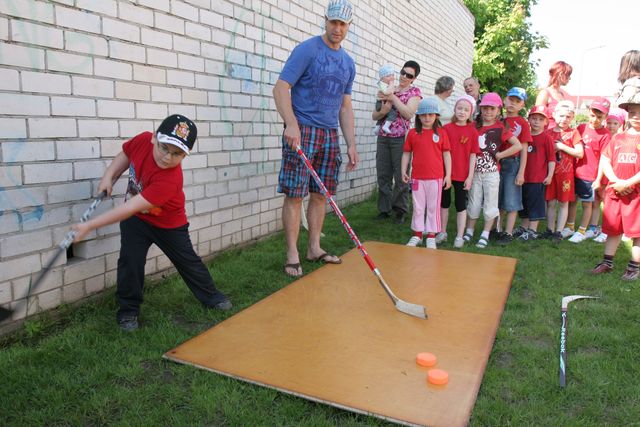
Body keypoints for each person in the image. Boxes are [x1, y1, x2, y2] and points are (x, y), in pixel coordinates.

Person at [72, 115, 232, 331]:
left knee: (188, 261)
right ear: (154, 138)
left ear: (185, 154)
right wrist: (108, 176)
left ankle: (212, 297)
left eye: (177, 154)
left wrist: (90, 226)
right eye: (164, 148)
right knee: (130, 261)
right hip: (136, 221)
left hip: (168, 224)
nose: (167, 157)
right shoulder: (142, 140)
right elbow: (126, 154)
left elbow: (129, 207)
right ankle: (128, 311)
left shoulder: (170, 180)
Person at [272, 0, 359, 278]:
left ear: (348, 26)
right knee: (295, 194)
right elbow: (281, 88)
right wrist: (291, 124)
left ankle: (314, 248)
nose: (337, 28)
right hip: (303, 129)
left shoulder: (348, 63)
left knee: (321, 194)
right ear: (325, 20)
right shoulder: (307, 50)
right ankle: (292, 254)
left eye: (342, 24)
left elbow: (345, 106)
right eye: (333, 22)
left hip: (329, 133)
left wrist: (351, 143)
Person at [591, 96, 640, 280]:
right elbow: (605, 159)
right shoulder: (618, 138)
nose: (636, 116)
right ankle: (607, 262)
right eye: (633, 112)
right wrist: (616, 181)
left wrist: (627, 183)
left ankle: (634, 267)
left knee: (637, 231)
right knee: (613, 228)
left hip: (636, 194)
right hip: (616, 191)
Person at [463, 93, 521, 249]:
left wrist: (500, 155)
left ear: (498, 110)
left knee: (490, 203)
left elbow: (518, 145)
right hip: (474, 172)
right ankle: (469, 230)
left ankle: (485, 233)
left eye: (492, 109)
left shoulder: (501, 128)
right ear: (480, 109)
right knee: (474, 202)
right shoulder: (473, 125)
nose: (488, 112)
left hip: (491, 173)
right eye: (485, 108)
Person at [373, 60, 422, 223]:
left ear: (414, 79)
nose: (404, 76)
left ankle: (400, 210)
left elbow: (408, 113)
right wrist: (384, 111)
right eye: (403, 72)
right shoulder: (388, 87)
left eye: (409, 75)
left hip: (401, 139)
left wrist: (392, 97)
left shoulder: (414, 93)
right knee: (383, 174)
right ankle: (384, 209)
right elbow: (374, 115)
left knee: (401, 176)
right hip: (383, 136)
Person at [401, 98, 451, 249]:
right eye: (423, 115)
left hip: (436, 178)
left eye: (431, 115)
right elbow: (406, 153)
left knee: (433, 207)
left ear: (436, 116)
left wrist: (448, 175)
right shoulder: (412, 133)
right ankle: (417, 234)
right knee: (418, 207)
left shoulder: (441, 133)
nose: (427, 118)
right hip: (417, 178)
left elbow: (447, 154)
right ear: (418, 116)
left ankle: (431, 236)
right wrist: (403, 170)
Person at [567, 97, 611, 243]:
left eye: (599, 116)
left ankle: (581, 231)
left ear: (606, 116)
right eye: (592, 115)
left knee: (587, 204)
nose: (595, 119)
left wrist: (598, 179)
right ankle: (570, 227)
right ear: (588, 112)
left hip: (590, 176)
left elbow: (604, 159)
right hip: (575, 173)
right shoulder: (581, 128)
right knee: (572, 201)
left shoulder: (605, 135)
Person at [438, 95, 480, 248]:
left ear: (471, 113)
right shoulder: (446, 129)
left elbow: (473, 155)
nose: (462, 112)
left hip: (463, 174)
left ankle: (459, 236)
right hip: (446, 173)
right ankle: (442, 232)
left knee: (461, 205)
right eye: (459, 108)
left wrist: (470, 177)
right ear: (454, 109)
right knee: (444, 203)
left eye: (466, 110)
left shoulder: (473, 131)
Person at [543, 101, 583, 241]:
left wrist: (561, 147)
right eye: (561, 116)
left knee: (563, 202)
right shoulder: (547, 133)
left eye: (568, 116)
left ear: (572, 117)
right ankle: (550, 229)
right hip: (550, 173)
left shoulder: (573, 133)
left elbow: (580, 153)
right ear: (554, 115)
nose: (564, 119)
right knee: (550, 202)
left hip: (566, 174)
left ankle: (559, 231)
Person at [497, 87, 530, 244]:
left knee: (511, 199)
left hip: (513, 164)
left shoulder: (522, 123)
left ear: (522, 105)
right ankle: (497, 229)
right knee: (498, 199)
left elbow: (523, 148)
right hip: (497, 163)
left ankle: (508, 232)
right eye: (511, 99)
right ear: (505, 100)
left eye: (517, 101)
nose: (513, 103)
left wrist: (521, 172)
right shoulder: (498, 120)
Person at [517, 106, 555, 240]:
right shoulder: (525, 136)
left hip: (538, 178)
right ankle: (524, 227)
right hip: (524, 177)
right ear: (528, 119)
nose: (536, 122)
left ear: (546, 122)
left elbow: (551, 159)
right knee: (524, 203)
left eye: (540, 119)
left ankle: (532, 230)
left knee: (535, 204)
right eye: (533, 118)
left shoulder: (546, 138)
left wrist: (549, 175)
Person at [593, 108, 627, 243]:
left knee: (612, 205)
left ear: (621, 125)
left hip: (618, 177)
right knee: (598, 202)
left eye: (615, 123)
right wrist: (598, 178)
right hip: (604, 174)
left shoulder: (622, 139)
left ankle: (613, 230)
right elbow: (603, 160)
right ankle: (596, 227)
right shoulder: (606, 137)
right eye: (609, 123)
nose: (611, 126)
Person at [535, 61, 572, 129]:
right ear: (561, 74)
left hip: (559, 133)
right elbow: (536, 118)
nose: (570, 78)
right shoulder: (545, 93)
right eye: (568, 75)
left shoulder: (562, 94)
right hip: (546, 133)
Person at [373, 64, 397, 134]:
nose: (391, 78)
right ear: (382, 79)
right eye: (388, 76)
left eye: (392, 75)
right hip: (381, 103)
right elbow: (387, 92)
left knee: (383, 117)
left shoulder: (386, 85)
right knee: (393, 113)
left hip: (382, 102)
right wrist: (392, 85)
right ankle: (386, 126)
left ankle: (377, 128)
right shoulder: (382, 84)